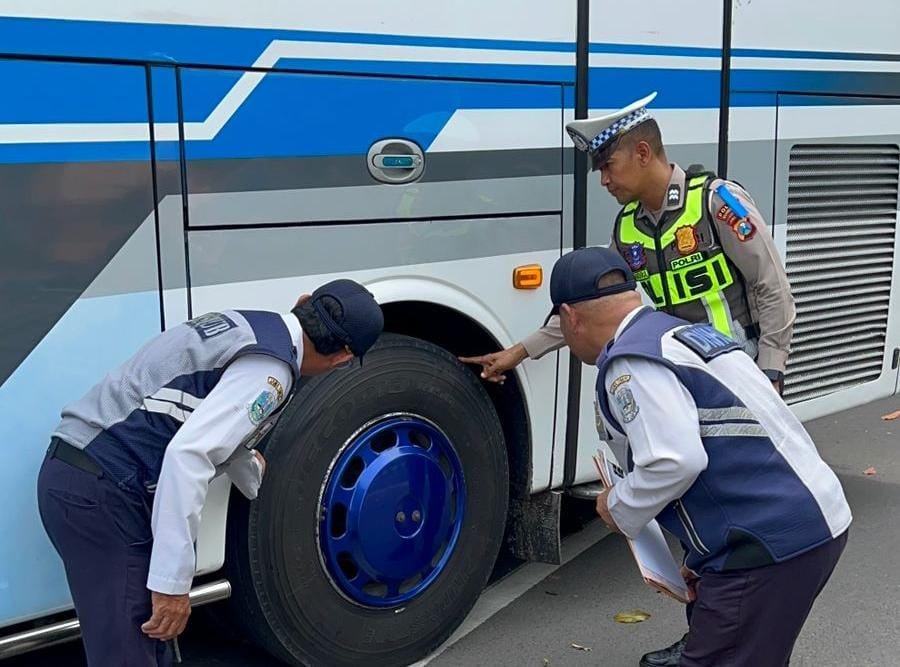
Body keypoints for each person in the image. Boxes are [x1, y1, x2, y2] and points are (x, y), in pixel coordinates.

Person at [36, 279, 384, 666]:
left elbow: (198, 417)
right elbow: (188, 456)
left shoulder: (245, 325)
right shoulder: (272, 371)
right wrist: (173, 585)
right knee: (132, 650)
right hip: (101, 491)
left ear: (302, 302)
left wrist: (249, 467)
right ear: (342, 359)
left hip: (78, 475)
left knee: (147, 646)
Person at [550, 246, 850, 667]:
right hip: (808, 524)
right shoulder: (678, 335)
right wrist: (703, 554)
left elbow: (675, 461)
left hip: (765, 544)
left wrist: (616, 506)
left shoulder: (630, 362)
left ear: (570, 316)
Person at [462, 91, 794, 398]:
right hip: (684, 376)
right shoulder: (628, 228)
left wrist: (770, 372)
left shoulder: (716, 202)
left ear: (643, 153)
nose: (604, 180)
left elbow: (770, 285)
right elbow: (588, 304)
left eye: (609, 166)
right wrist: (517, 353)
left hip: (739, 372)